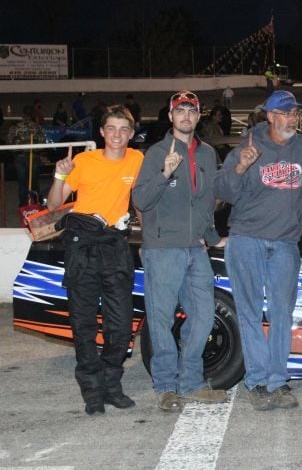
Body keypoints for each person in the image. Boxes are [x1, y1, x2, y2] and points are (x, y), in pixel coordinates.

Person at [214, 90, 302, 411]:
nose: (292, 118)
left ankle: (278, 381)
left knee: (282, 314)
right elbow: (222, 191)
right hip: (246, 239)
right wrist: (241, 166)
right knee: (250, 313)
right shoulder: (248, 147)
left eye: (294, 112)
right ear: (269, 116)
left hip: (284, 243)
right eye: (284, 113)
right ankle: (256, 381)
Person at [132, 90, 228, 412]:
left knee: (202, 317)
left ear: (199, 116)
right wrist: (164, 174)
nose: (186, 115)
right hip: (162, 249)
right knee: (160, 320)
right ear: (171, 116)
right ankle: (165, 386)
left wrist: (213, 237)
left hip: (195, 249)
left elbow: (207, 203)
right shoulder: (156, 153)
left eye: (192, 110)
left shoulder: (207, 153)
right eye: (180, 110)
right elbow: (141, 201)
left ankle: (190, 382)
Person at [47, 105, 144, 416]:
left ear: (131, 134)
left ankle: (112, 384)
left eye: (123, 130)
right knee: (84, 325)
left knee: (120, 325)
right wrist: (60, 175)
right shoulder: (83, 161)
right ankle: (92, 390)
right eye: (111, 129)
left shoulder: (138, 159)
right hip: (82, 247)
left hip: (115, 247)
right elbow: (54, 204)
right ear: (101, 132)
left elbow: (143, 200)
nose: (117, 135)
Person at [7, 105, 45, 205]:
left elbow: (9, 143)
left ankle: (24, 205)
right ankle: (37, 203)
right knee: (34, 182)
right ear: (32, 114)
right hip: (34, 156)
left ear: (23, 114)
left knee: (22, 182)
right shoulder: (37, 127)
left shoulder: (16, 127)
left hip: (20, 157)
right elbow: (43, 144)